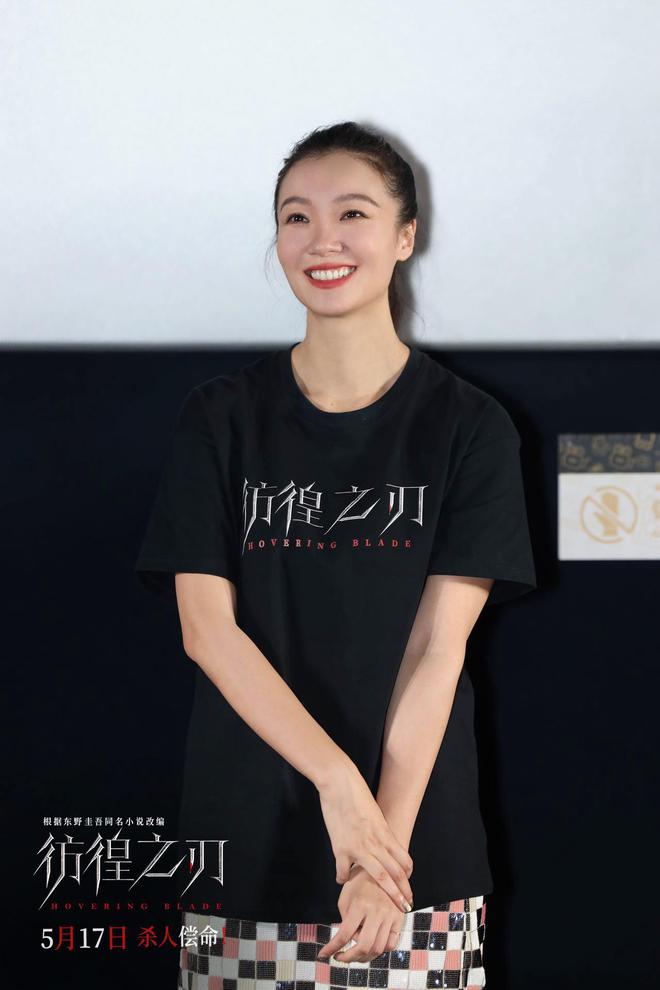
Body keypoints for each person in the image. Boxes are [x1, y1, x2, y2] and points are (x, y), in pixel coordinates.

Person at [134, 121, 537, 990]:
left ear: (405, 235)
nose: (322, 240)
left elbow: (436, 650)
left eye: (352, 213)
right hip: (247, 845)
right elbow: (207, 632)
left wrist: (377, 853)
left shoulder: (470, 426)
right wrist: (337, 788)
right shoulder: (220, 417)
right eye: (296, 217)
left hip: (413, 858)